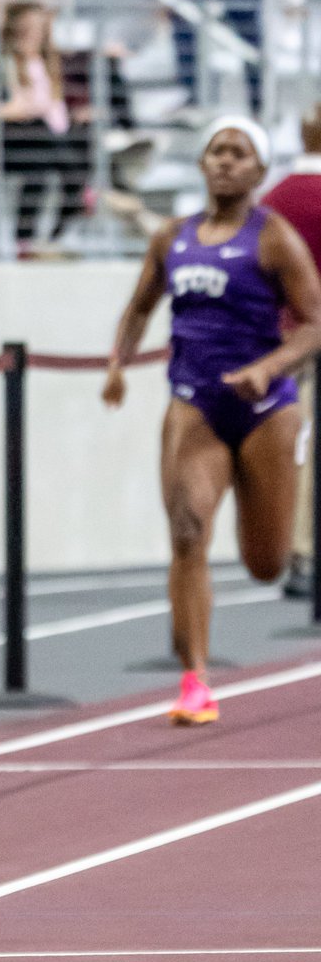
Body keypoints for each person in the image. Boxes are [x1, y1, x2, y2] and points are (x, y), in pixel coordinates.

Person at [102, 115, 321, 724]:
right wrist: (117, 363)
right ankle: (194, 679)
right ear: (201, 164)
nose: (225, 161)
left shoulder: (273, 237)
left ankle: (243, 595)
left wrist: (270, 367)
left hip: (266, 410)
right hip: (194, 402)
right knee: (188, 530)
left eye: (238, 153)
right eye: (216, 151)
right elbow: (140, 306)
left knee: (266, 562)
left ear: (257, 170)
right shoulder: (173, 237)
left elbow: (314, 321)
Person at [261, 103, 321, 598]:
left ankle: (297, 549)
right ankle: (303, 550)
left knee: (297, 443)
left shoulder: (275, 196)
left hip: (283, 334)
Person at [0, 0, 92, 252]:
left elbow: (54, 106)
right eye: (27, 27)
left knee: (80, 147)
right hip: (23, 136)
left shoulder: (48, 61)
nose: (33, 33)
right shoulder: (7, 61)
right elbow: (17, 105)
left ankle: (55, 235)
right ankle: (26, 239)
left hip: (53, 135)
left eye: (38, 27)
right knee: (40, 166)